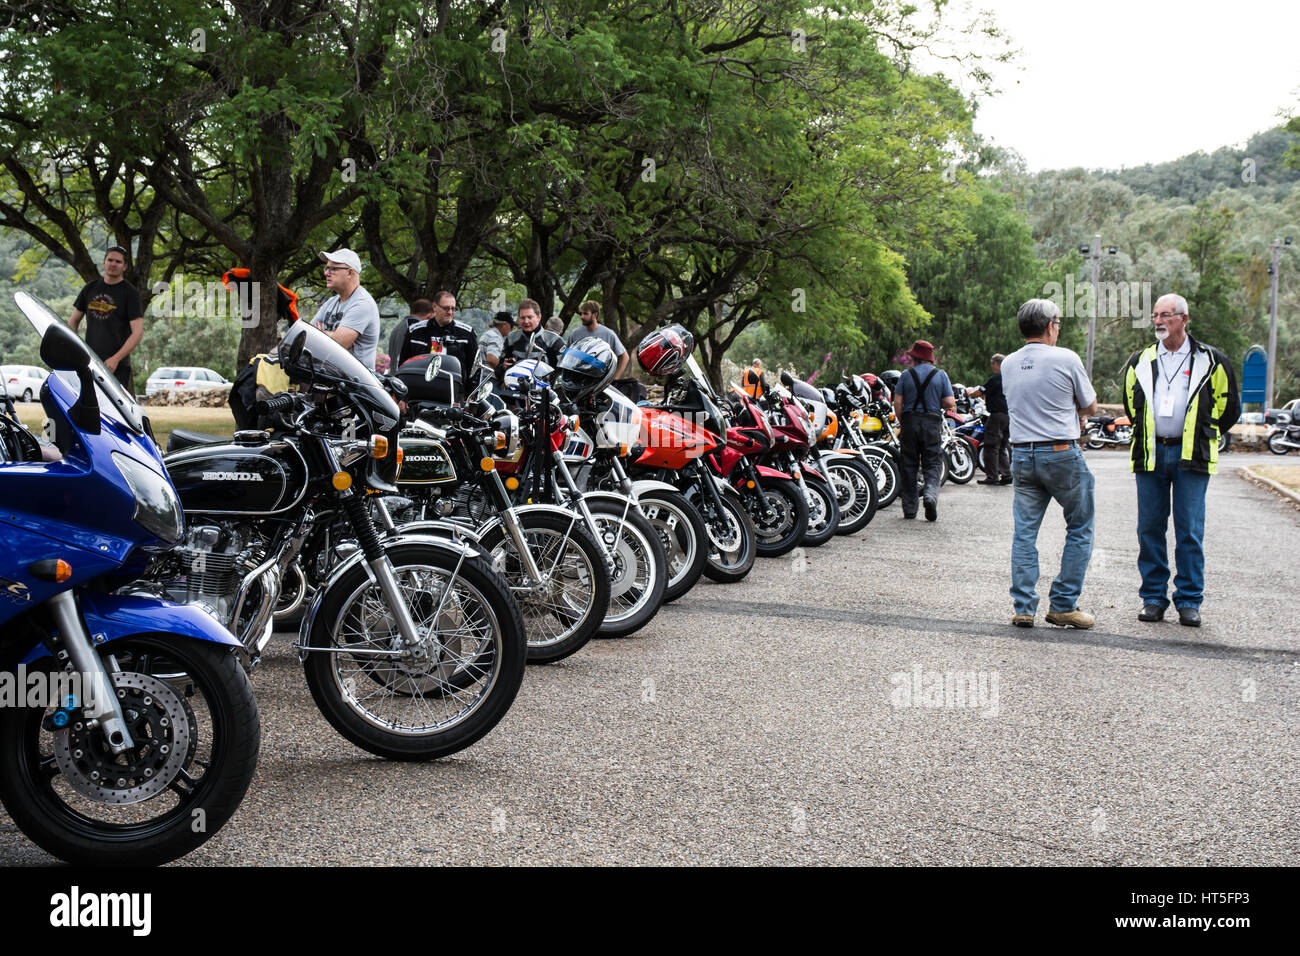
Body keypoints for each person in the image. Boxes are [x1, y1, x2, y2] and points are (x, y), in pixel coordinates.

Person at [1121, 293, 1240, 628]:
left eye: (1167, 315)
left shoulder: (1211, 360)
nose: (1159, 321)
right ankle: (1153, 598)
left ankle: (1189, 600)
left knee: (1189, 530)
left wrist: (1202, 433)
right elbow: (1132, 405)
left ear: (1184, 319)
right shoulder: (1140, 360)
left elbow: (1229, 409)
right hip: (1151, 453)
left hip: (1193, 455)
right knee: (1149, 529)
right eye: (1156, 315)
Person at [1002, 299, 1098, 629]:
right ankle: (1064, 604)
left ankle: (1024, 607)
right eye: (1057, 324)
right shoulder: (1066, 358)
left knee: (1024, 533)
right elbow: (1090, 406)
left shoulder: (1008, 364)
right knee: (1080, 527)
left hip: (1022, 454)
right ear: (1050, 327)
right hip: (1061, 453)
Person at [892, 340, 954, 521]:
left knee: (909, 465)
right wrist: (936, 403)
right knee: (933, 463)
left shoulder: (906, 375)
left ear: (915, 357)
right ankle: (930, 495)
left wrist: (902, 420)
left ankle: (910, 509)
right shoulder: (940, 375)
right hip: (931, 421)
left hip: (910, 421)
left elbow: (897, 402)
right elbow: (950, 402)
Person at [68, 246, 144, 391]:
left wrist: (116, 359)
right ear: (104, 262)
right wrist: (76, 348)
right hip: (89, 362)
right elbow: (73, 320)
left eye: (118, 262)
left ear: (125, 266)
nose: (113, 264)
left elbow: (138, 332)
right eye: (110, 260)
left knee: (112, 412)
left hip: (117, 367)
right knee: (88, 409)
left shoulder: (130, 293)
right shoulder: (90, 288)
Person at [311, 248, 380, 370]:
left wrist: (321, 332)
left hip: (356, 383)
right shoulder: (331, 302)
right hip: (332, 379)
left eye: (333, 269)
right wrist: (332, 335)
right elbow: (308, 334)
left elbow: (338, 345)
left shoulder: (362, 303)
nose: (326, 273)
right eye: (327, 268)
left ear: (350, 273)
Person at [399, 290, 478, 393]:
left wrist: (470, 396)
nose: (450, 312)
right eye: (446, 308)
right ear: (435, 307)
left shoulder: (466, 333)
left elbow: (474, 369)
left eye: (453, 309)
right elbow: (403, 364)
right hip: (419, 392)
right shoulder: (415, 331)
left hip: (453, 395)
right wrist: (402, 395)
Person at [967, 353, 1011, 485]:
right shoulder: (1010, 378)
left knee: (991, 446)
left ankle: (992, 476)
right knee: (1002, 446)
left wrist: (970, 393)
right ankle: (1007, 474)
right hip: (1008, 416)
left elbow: (979, 392)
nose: (992, 367)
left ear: (996, 364)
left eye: (992, 364)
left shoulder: (996, 379)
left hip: (997, 415)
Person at [499, 299, 566, 378]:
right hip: (512, 387)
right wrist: (503, 366)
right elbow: (499, 367)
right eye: (522, 318)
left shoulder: (554, 340)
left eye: (530, 317)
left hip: (544, 388)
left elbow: (564, 373)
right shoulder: (511, 338)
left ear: (539, 317)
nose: (526, 321)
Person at [566, 300, 630, 378]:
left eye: (585, 313)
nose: (582, 317)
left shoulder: (609, 334)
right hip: (578, 382)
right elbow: (567, 357)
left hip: (600, 382)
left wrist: (615, 377)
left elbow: (624, 357)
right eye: (581, 313)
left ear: (595, 315)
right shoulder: (574, 334)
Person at [388, 298, 434, 371]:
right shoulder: (415, 330)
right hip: (405, 375)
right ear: (429, 316)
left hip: (395, 374)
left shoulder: (399, 327)